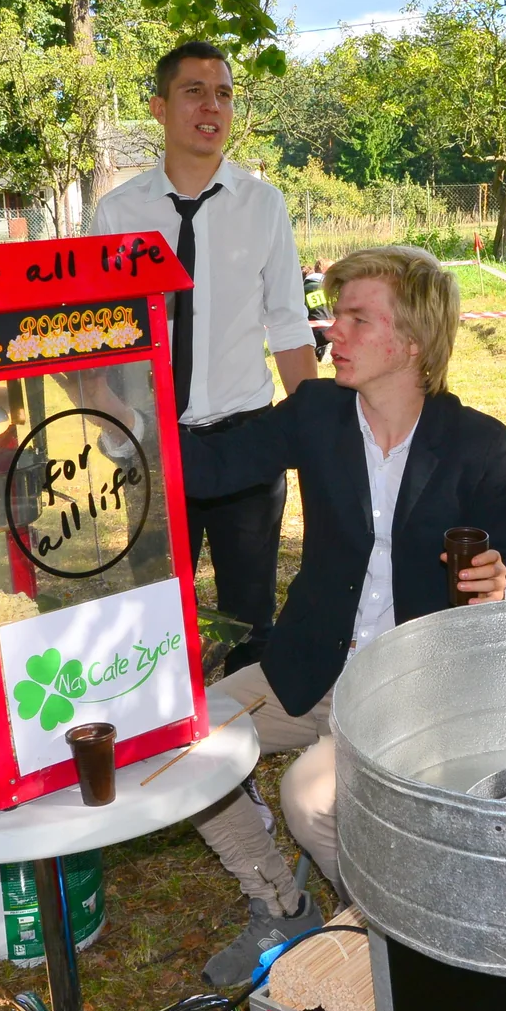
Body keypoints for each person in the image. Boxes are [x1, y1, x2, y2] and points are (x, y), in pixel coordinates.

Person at [177, 246, 506, 984]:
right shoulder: (317, 412)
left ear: (410, 343)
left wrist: (505, 586)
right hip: (307, 664)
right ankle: (282, 905)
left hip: (410, 693)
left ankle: (426, 944)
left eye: (355, 318)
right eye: (334, 314)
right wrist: (129, 413)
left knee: (310, 798)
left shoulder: (478, 447)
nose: (331, 333)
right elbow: (211, 466)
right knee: (173, 744)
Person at [88, 41, 316, 676]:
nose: (211, 106)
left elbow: (289, 323)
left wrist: (315, 426)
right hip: (151, 443)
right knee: (153, 617)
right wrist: (118, 422)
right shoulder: (118, 213)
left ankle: (240, 753)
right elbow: (95, 337)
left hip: (247, 439)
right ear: (160, 108)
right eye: (194, 91)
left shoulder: (263, 205)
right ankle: (162, 745)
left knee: (249, 623)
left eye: (223, 93)